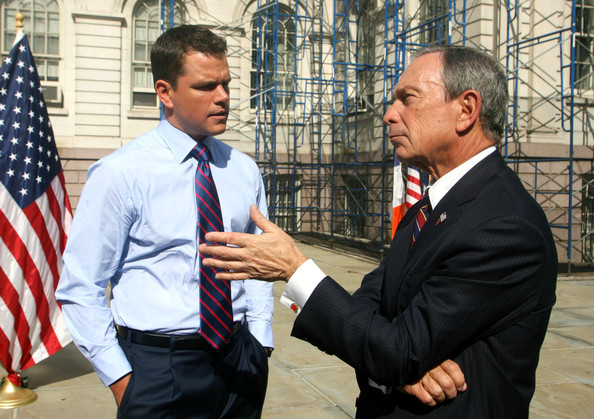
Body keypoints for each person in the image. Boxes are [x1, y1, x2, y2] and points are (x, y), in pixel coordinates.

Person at [199, 45, 558, 418]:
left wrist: (295, 269)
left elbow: (396, 348)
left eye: (408, 99)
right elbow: (370, 311)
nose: (389, 114)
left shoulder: (504, 225)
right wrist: (397, 367)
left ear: (466, 110)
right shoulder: (428, 208)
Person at [56, 25, 274, 418]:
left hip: (239, 362)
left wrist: (260, 341)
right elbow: (81, 287)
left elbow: (256, 262)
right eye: (206, 86)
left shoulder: (243, 170)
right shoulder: (121, 174)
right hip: (158, 369)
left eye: (226, 83)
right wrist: (123, 382)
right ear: (165, 92)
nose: (223, 97)